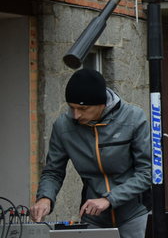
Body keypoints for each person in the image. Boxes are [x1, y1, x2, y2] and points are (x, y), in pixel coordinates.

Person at [30, 69, 151, 238]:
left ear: (101, 104)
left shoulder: (133, 118)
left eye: (83, 108)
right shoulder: (62, 127)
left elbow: (147, 172)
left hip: (135, 214)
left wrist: (109, 199)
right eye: (71, 108)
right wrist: (45, 198)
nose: (76, 115)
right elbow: (53, 172)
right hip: (94, 217)